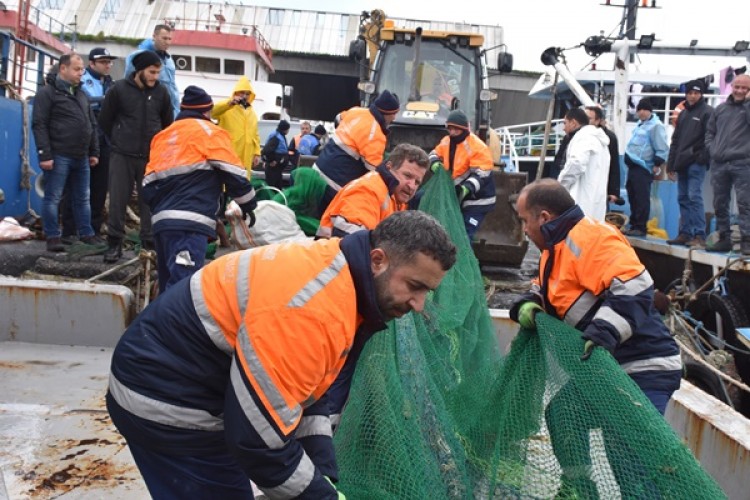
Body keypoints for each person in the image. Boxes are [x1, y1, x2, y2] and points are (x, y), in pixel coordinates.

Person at [106, 210, 456, 499]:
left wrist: (323, 470)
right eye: (414, 286)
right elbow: (259, 443)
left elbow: (307, 393)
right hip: (164, 401)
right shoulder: (313, 311)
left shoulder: (342, 276)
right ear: (378, 260)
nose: (419, 305)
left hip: (191, 382)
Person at [511, 178, 682, 413]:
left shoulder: (590, 237)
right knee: (563, 414)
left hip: (644, 368)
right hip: (608, 368)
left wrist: (603, 333)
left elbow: (634, 287)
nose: (524, 230)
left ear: (544, 217)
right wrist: (528, 304)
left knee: (625, 447)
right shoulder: (554, 251)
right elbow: (545, 289)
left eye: (524, 221)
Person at [143, 86, 257, 293]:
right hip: (191, 221)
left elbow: (148, 185)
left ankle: (158, 322)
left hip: (162, 223)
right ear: (207, 111)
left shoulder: (163, 136)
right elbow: (233, 173)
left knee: (168, 283)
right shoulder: (211, 133)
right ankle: (172, 325)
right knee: (182, 290)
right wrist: (248, 203)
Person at [98, 50, 174, 263]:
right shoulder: (119, 90)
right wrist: (119, 139)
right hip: (122, 154)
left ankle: (149, 245)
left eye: (158, 72)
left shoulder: (162, 93)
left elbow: (167, 125)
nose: (155, 77)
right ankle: (114, 244)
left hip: (150, 158)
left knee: (149, 202)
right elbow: (105, 120)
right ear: (140, 70)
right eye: (152, 72)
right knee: (117, 202)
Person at [31, 53, 100, 252]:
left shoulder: (81, 94)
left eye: (82, 69)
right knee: (53, 197)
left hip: (81, 156)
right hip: (59, 154)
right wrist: (45, 155)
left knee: (82, 198)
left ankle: (86, 234)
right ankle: (53, 236)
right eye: (77, 69)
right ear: (63, 69)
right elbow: (39, 124)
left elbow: (91, 124)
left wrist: (93, 151)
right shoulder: (47, 93)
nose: (81, 73)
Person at [60, 47, 117, 243]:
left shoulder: (111, 83)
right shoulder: (81, 82)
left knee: (99, 188)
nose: (108, 65)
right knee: (76, 186)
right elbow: (85, 104)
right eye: (103, 62)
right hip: (84, 139)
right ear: (92, 63)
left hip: (105, 140)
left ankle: (92, 229)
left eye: (109, 62)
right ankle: (69, 229)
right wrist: (104, 102)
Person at [316, 143, 428, 238]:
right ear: (389, 167)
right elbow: (352, 247)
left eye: (417, 182)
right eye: (407, 176)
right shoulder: (366, 191)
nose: (412, 186)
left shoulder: (396, 197)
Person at [314, 90, 400, 211]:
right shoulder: (376, 135)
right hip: (334, 186)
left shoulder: (356, 111)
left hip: (317, 171)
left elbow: (338, 119)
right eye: (394, 113)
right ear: (388, 113)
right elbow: (374, 172)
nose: (395, 117)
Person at [428, 109, 495, 240]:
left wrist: (467, 188)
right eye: (450, 128)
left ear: (464, 129)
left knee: (464, 235)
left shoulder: (478, 147)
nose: (452, 132)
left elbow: (482, 173)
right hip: (457, 196)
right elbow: (433, 154)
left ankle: (463, 259)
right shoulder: (446, 141)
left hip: (478, 200)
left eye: (456, 129)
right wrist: (434, 163)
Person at [705, 74, 750, 255]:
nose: (739, 91)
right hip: (720, 163)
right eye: (737, 87)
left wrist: (747, 104)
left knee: (745, 203)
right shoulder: (721, 109)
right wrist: (712, 149)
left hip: (743, 162)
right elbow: (710, 132)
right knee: (720, 202)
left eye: (744, 88)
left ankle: (747, 241)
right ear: (731, 87)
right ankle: (724, 237)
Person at [666, 79, 713, 248]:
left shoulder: (708, 112)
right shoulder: (684, 114)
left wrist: (702, 157)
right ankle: (685, 233)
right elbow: (675, 140)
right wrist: (670, 165)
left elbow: (711, 138)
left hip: (696, 163)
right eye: (690, 93)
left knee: (694, 197)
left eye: (696, 93)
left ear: (701, 94)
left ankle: (699, 235)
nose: (692, 96)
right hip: (682, 163)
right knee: (683, 198)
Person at [622, 98, 669, 236]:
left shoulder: (656, 126)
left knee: (641, 197)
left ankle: (641, 227)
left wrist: (657, 164)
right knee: (633, 196)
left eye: (644, 109)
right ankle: (634, 224)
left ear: (649, 111)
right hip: (633, 167)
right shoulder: (640, 125)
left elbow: (662, 147)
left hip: (643, 167)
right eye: (639, 110)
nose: (641, 112)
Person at [556, 107, 610, 221]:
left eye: (565, 123)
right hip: (596, 201)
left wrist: (560, 186)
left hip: (581, 200)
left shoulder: (583, 137)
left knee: (578, 235)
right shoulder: (600, 142)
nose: (563, 127)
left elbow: (576, 164)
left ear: (574, 123)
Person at [211, 76, 262, 177]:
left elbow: (255, 135)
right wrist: (229, 103)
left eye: (247, 93)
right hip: (229, 154)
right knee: (228, 182)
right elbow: (213, 112)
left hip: (246, 158)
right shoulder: (227, 109)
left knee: (242, 185)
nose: (245, 96)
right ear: (236, 93)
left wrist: (257, 153)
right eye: (242, 92)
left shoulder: (253, 114)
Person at [125, 24, 179, 117]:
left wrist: (176, 109)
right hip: (148, 107)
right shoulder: (138, 56)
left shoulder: (168, 59)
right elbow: (129, 81)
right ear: (154, 36)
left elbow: (172, 85)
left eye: (169, 39)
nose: (167, 42)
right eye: (164, 38)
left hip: (169, 107)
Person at [585, 106, 621, 206]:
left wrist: (613, 191)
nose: (585, 121)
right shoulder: (580, 135)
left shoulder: (610, 138)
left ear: (598, 121)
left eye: (588, 119)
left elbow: (614, 165)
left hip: (601, 185)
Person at [261, 119, 291, 189]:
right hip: (273, 169)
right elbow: (267, 151)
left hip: (277, 169)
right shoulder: (276, 137)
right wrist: (271, 160)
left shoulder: (280, 135)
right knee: (272, 188)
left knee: (278, 187)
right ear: (285, 129)